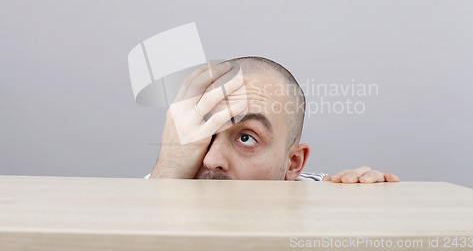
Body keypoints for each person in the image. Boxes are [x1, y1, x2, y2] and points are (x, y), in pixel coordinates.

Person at [147, 56, 399, 183]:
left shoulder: (320, 194)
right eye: (205, 131)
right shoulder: (165, 181)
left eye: (246, 137)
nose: (212, 160)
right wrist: (167, 173)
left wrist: (371, 210)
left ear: (293, 163)